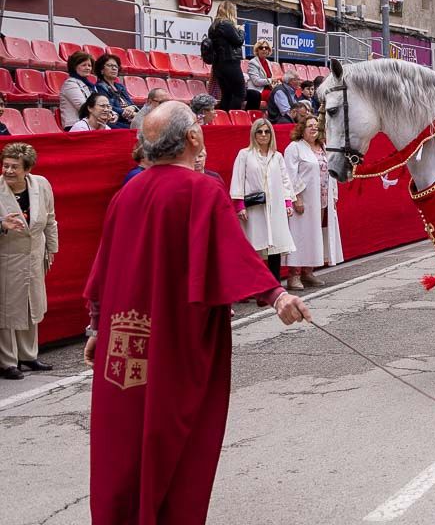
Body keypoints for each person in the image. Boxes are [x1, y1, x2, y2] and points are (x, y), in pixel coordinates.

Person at [83, 101, 310, 523]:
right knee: (177, 443)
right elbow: (233, 255)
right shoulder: (202, 190)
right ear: (193, 138)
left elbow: (101, 272)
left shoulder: (125, 195)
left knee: (123, 443)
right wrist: (276, 295)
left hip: (123, 345)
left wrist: (96, 327)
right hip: (174, 341)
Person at [0, 143, 57, 380]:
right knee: (6, 309)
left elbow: (51, 220)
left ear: (27, 169)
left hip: (34, 255)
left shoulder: (41, 185)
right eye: (5, 165)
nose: (8, 171)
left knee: (32, 305)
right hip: (6, 257)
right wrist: (1, 225)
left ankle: (28, 355)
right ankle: (7, 361)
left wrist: (51, 250)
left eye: (15, 167)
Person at [231, 118, 296, 282]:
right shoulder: (245, 154)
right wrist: (239, 205)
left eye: (267, 131)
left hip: (275, 207)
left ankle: (274, 282)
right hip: (254, 208)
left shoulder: (277, 156)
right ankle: (253, 284)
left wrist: (288, 202)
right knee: (254, 244)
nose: (263, 135)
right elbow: (238, 179)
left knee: (275, 245)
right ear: (254, 134)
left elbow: (285, 180)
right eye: (259, 131)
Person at [284, 114, 343, 291]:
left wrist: (333, 195)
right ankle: (293, 275)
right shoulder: (294, 148)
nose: (313, 128)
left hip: (322, 200)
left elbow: (330, 173)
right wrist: (297, 197)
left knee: (315, 234)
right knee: (300, 235)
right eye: (309, 125)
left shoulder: (323, 147)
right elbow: (289, 174)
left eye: (316, 125)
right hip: (305, 200)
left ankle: (308, 272)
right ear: (302, 129)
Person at [209, 1, 247, 111]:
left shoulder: (213, 26)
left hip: (218, 65)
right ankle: (233, 117)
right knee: (239, 93)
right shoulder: (226, 24)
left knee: (227, 94)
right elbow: (238, 41)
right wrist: (241, 31)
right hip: (230, 63)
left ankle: (224, 117)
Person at [93, 53, 138, 129]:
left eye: (116, 66)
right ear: (102, 70)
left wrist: (132, 108)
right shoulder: (99, 87)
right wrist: (128, 112)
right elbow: (108, 107)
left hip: (130, 118)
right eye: (110, 65)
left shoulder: (120, 86)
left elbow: (131, 103)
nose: (114, 68)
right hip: (116, 120)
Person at [59, 51, 96, 129]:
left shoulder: (90, 84)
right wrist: (105, 113)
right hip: (75, 125)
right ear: (74, 66)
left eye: (89, 65)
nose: (88, 68)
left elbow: (101, 104)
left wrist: (113, 114)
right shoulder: (70, 83)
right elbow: (83, 107)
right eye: (83, 65)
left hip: (91, 122)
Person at [245, 39, 277, 111]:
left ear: (269, 50)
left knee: (280, 92)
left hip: (268, 89)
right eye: (261, 48)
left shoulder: (268, 62)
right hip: (258, 90)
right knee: (275, 95)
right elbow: (256, 81)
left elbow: (270, 79)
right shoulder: (253, 62)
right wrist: (271, 80)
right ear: (257, 50)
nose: (264, 49)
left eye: (266, 48)